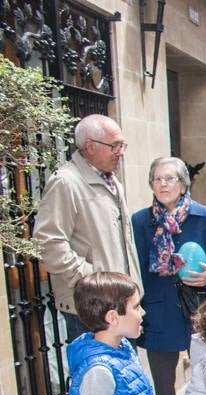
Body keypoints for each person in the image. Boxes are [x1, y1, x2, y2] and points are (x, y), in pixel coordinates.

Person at [131, 157, 206, 395]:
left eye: (170, 178)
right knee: (164, 383)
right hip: (159, 311)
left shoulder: (203, 216)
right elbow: (136, 267)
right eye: (157, 179)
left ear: (183, 183)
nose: (163, 184)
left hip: (199, 310)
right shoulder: (140, 221)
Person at [34, 114, 143, 342]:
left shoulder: (113, 182)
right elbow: (48, 242)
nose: (120, 152)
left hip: (119, 304)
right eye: (114, 145)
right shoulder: (65, 182)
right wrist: (91, 281)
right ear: (89, 146)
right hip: (91, 309)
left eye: (122, 145)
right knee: (98, 373)